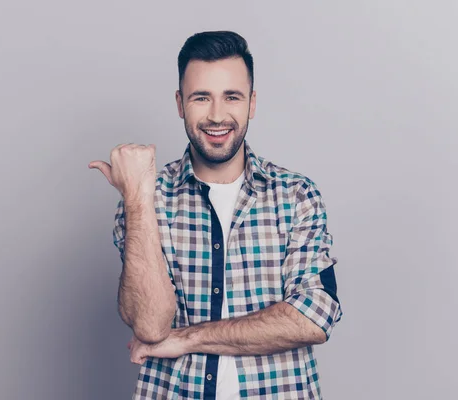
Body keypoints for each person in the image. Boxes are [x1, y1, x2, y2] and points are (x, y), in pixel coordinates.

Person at [88, 30, 342, 400]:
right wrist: (137, 196)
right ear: (180, 103)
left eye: (232, 97)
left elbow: (313, 317)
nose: (217, 115)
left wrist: (188, 338)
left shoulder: (296, 196)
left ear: (252, 103)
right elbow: (149, 325)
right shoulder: (148, 200)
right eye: (201, 98)